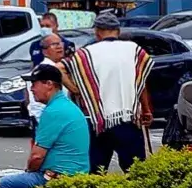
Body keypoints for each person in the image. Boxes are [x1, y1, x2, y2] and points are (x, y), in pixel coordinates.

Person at [0, 64, 92, 188]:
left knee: (5, 186)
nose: (32, 89)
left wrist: (30, 171)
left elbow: (36, 157)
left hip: (57, 177)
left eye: (35, 83)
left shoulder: (53, 111)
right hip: (75, 173)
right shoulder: (66, 106)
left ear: (49, 84)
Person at [63, 11, 153, 172]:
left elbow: (60, 69)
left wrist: (77, 90)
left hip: (98, 121)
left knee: (96, 172)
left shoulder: (86, 53)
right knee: (136, 172)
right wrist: (146, 110)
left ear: (97, 32)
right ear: (118, 31)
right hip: (129, 119)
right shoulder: (134, 50)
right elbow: (141, 82)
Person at [30, 32, 69, 119]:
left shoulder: (62, 67)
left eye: (60, 43)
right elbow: (37, 105)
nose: (59, 47)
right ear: (44, 51)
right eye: (54, 44)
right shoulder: (42, 70)